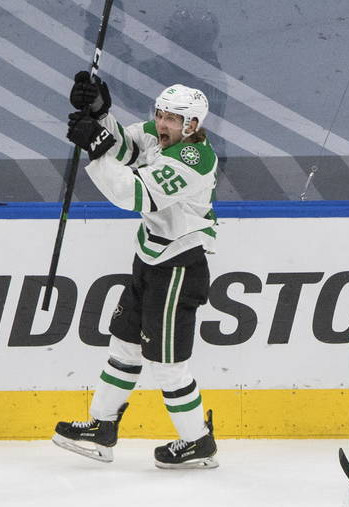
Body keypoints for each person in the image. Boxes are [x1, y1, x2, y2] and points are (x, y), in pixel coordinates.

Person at [52, 77, 219, 469]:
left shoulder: (195, 159)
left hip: (180, 266)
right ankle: (102, 427)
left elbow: (135, 193)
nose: (163, 123)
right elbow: (124, 148)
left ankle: (198, 441)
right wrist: (100, 115)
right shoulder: (159, 137)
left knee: (167, 366)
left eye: (173, 119)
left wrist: (95, 151)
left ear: (192, 125)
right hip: (150, 258)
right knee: (124, 346)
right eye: (160, 114)